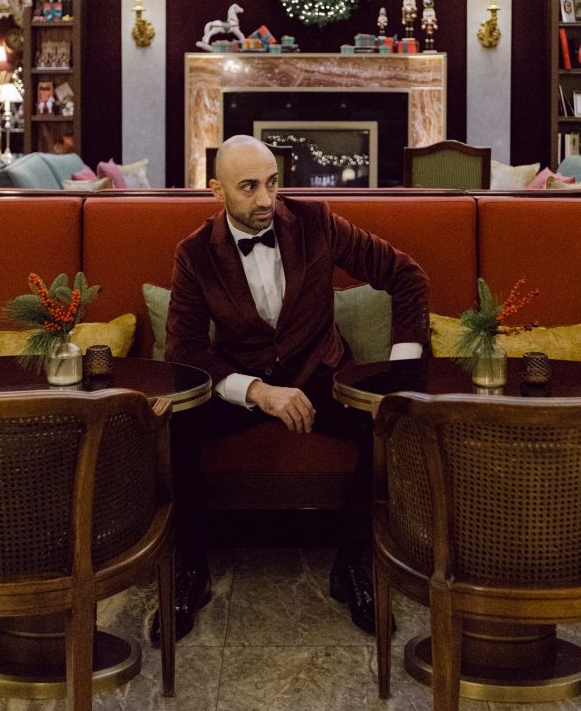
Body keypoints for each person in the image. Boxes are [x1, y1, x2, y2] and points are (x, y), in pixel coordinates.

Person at [152, 135, 429, 644]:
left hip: (319, 374)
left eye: (273, 183)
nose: (265, 200)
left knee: (379, 423)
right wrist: (256, 391)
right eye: (249, 186)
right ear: (216, 190)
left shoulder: (317, 221)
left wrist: (401, 373)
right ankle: (190, 569)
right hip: (244, 380)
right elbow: (185, 349)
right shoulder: (194, 254)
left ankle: (352, 565)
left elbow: (405, 276)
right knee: (178, 427)